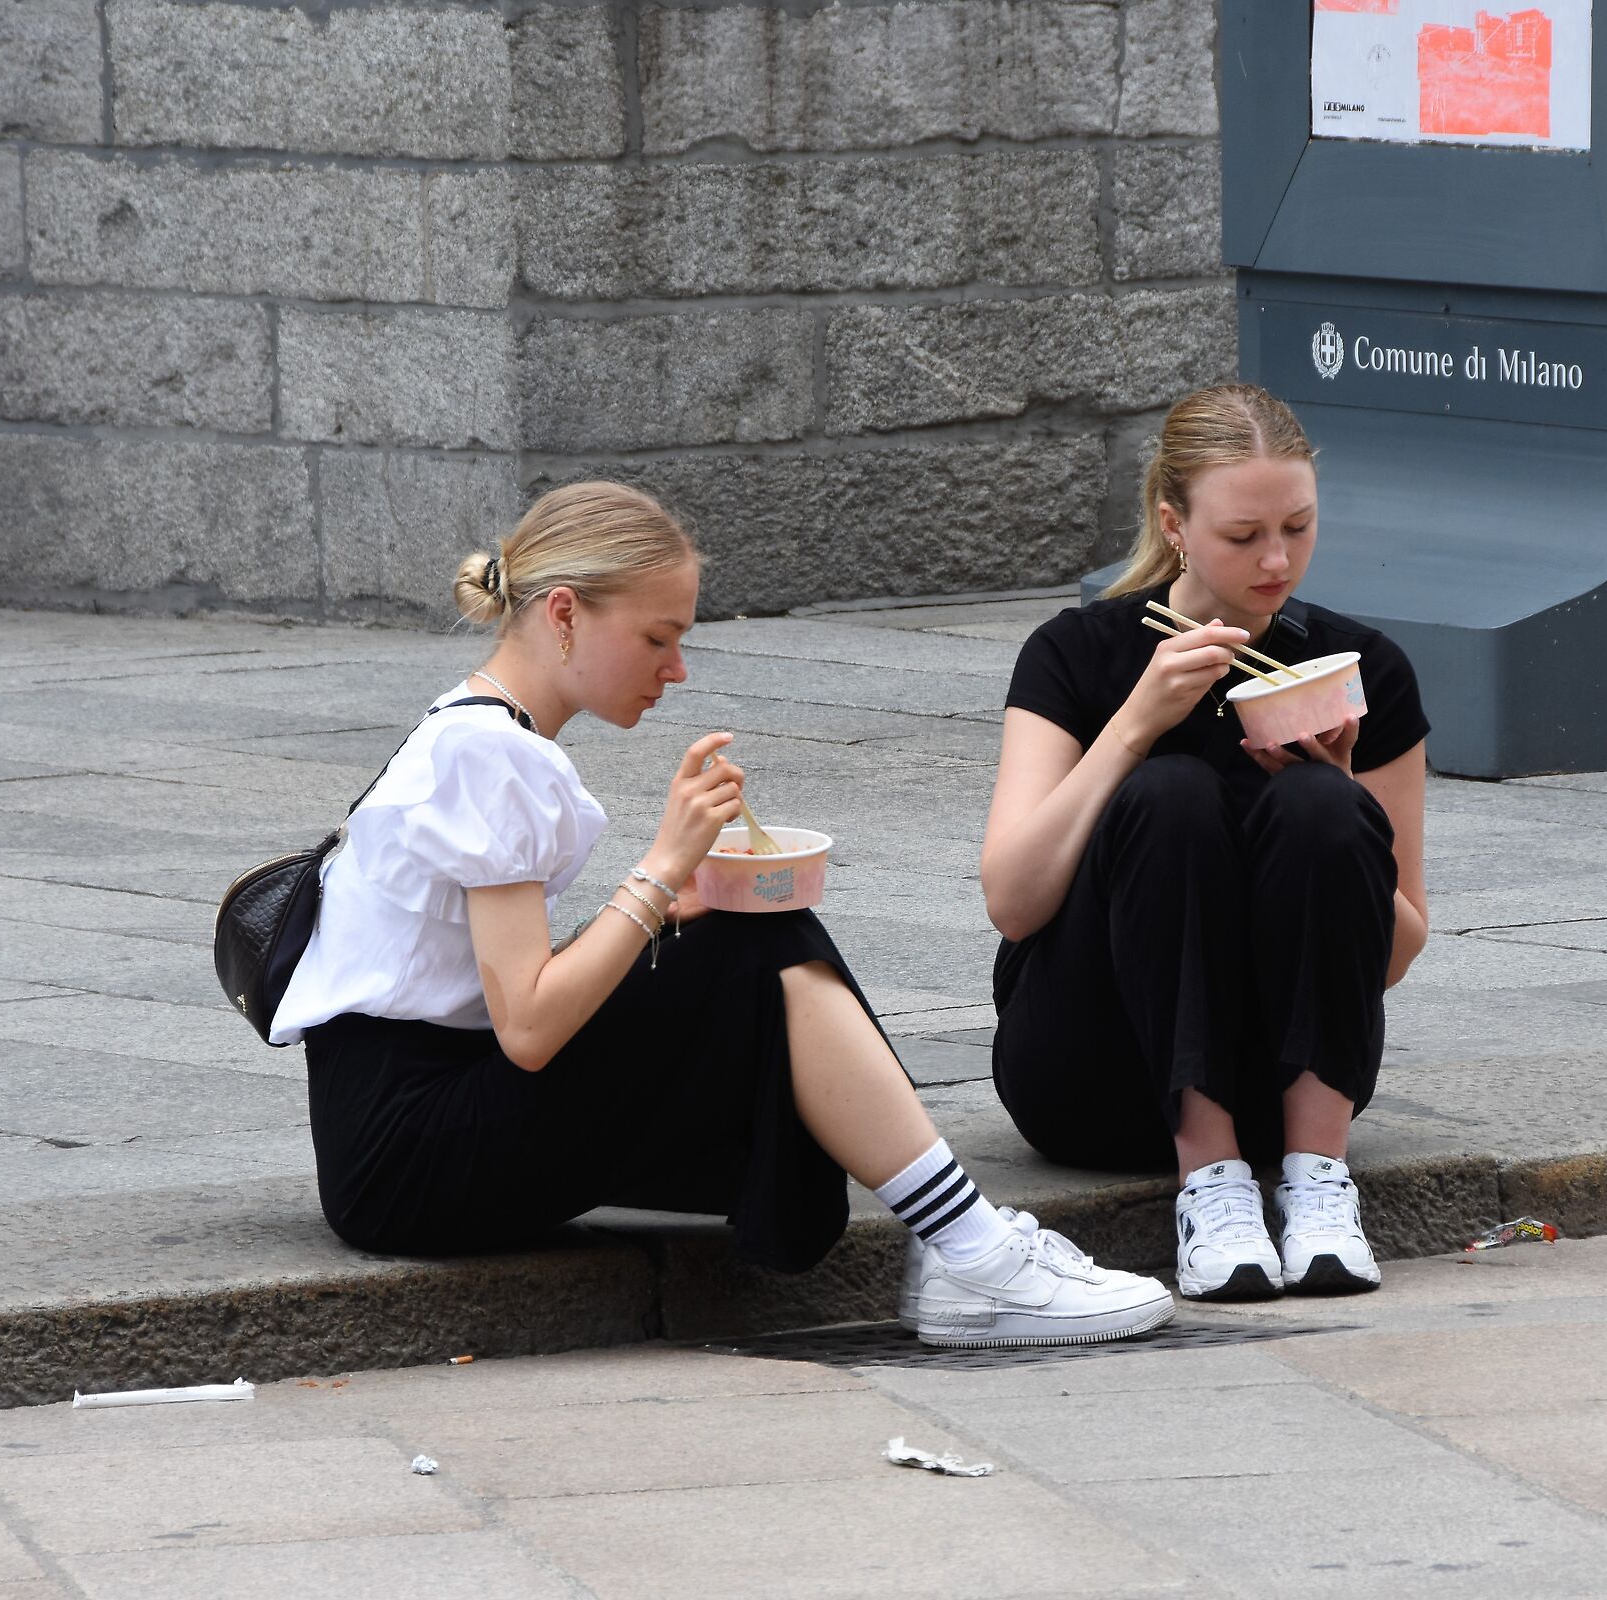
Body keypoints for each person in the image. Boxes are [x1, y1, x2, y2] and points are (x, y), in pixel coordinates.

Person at [269, 481, 1171, 1349]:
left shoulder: (478, 729)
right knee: (761, 947)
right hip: (410, 1157)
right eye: (658, 637)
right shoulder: (492, 755)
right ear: (564, 614)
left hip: (403, 1127)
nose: (677, 667)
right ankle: (970, 1249)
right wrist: (661, 872)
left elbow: (511, 996)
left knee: (743, 934)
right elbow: (530, 1028)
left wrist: (678, 903)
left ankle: (966, 1242)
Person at [982, 384, 1431, 1300]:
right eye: (1243, 536)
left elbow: (1394, 953)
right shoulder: (1078, 654)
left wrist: (1342, 799)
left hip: (1288, 1081)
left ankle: (1316, 1184)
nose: (1277, 560)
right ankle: (1209, 1181)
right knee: (1170, 793)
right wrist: (1133, 725)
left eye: (1298, 528)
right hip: (1097, 1072)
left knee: (1319, 808)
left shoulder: (1361, 668)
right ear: (1174, 524)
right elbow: (1014, 901)